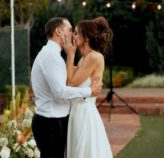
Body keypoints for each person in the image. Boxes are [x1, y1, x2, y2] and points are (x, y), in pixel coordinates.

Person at [31, 17, 102, 158]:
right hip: (50, 123)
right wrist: (89, 91)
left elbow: (68, 81)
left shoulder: (53, 55)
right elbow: (60, 92)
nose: (72, 35)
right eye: (70, 30)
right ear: (58, 31)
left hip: (54, 121)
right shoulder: (51, 56)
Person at [63, 16, 113, 158]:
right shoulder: (84, 58)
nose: (73, 35)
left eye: (77, 32)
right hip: (77, 111)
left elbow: (71, 83)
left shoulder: (94, 57)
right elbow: (71, 77)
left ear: (86, 37)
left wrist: (70, 54)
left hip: (84, 113)